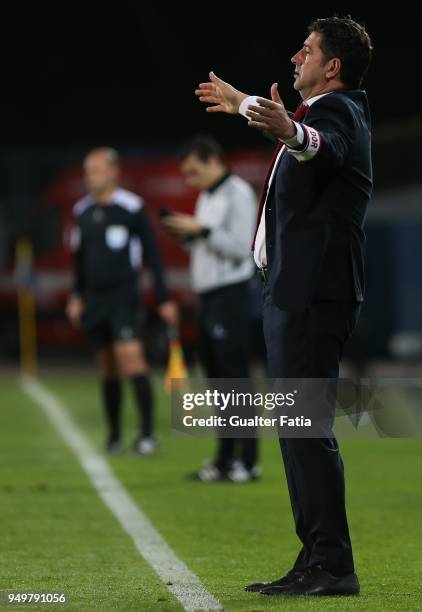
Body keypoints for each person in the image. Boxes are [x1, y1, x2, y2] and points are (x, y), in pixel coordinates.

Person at [196, 16, 373, 596]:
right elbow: (295, 130)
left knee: (305, 425)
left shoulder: (338, 112)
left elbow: (321, 146)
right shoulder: (315, 114)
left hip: (311, 294)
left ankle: (331, 563)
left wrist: (291, 135)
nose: (296, 57)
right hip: (297, 293)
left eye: (307, 50)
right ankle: (316, 558)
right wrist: (244, 102)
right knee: (298, 427)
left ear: (333, 66)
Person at [66, 147, 178, 454]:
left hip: (124, 298)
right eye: (88, 171)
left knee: (131, 360)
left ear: (114, 172)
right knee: (107, 368)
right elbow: (79, 259)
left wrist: (164, 298)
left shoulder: (131, 207)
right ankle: (114, 435)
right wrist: (76, 296)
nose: (91, 177)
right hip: (94, 300)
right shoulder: (82, 211)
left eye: (97, 170)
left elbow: (153, 256)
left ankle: (146, 434)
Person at [163, 135, 259, 483]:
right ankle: (223, 459)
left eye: (193, 172)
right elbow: (209, 247)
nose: (191, 180)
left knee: (236, 379)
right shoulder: (208, 195)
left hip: (231, 295)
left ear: (212, 160)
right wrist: (190, 236)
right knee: (217, 382)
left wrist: (201, 229)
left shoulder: (238, 193)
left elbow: (240, 249)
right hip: (208, 297)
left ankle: (248, 462)